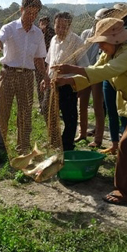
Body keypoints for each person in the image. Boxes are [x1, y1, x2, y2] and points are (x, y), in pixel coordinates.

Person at [54, 18, 127, 205]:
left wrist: (72, 69)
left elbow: (107, 71)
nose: (100, 46)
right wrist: (68, 80)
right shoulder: (107, 55)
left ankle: (124, 192)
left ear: (115, 40)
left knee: (126, 146)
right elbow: (95, 71)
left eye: (102, 42)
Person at [0, 0, 48, 155]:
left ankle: (23, 147)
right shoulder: (9, 28)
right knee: (4, 110)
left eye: (35, 14)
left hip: (27, 76)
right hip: (8, 73)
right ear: (21, 10)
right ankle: (1, 147)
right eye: (28, 12)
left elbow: (38, 58)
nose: (31, 16)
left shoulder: (38, 33)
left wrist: (45, 75)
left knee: (25, 112)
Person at [42, 12, 89, 151]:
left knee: (69, 116)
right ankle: (54, 140)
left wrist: (68, 79)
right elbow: (49, 62)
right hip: (52, 83)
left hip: (68, 85)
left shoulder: (77, 41)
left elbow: (83, 67)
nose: (61, 30)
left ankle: (67, 144)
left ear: (70, 26)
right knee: (48, 112)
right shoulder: (53, 40)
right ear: (54, 25)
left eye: (64, 27)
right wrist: (45, 78)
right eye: (58, 26)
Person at [100, 4, 127, 155]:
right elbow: (101, 61)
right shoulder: (107, 34)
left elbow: (121, 64)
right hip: (108, 79)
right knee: (111, 111)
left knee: (124, 113)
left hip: (123, 81)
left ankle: (124, 143)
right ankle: (114, 144)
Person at [76, 10, 106, 147]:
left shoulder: (107, 35)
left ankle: (98, 139)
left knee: (98, 107)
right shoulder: (86, 34)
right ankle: (82, 133)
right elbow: (81, 53)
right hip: (84, 72)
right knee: (82, 104)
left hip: (97, 73)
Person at [35, 15, 55, 116]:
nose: (43, 24)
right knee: (39, 84)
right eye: (41, 22)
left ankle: (49, 106)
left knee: (49, 84)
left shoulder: (52, 32)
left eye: (45, 21)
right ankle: (41, 105)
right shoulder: (36, 32)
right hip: (38, 62)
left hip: (49, 62)